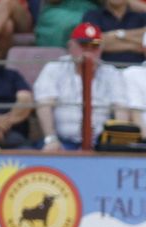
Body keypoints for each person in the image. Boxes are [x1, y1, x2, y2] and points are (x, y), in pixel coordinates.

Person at [35, 22, 126, 150]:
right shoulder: (54, 68)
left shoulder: (111, 73)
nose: (89, 51)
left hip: (100, 144)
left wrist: (118, 142)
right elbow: (44, 105)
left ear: (101, 48)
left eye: (94, 46)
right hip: (62, 141)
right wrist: (51, 138)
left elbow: (121, 109)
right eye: (83, 45)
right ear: (70, 46)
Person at [82, 0, 146, 67]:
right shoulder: (92, 15)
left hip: (139, 71)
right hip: (104, 71)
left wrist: (119, 34)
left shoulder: (142, 16)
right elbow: (92, 43)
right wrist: (134, 45)